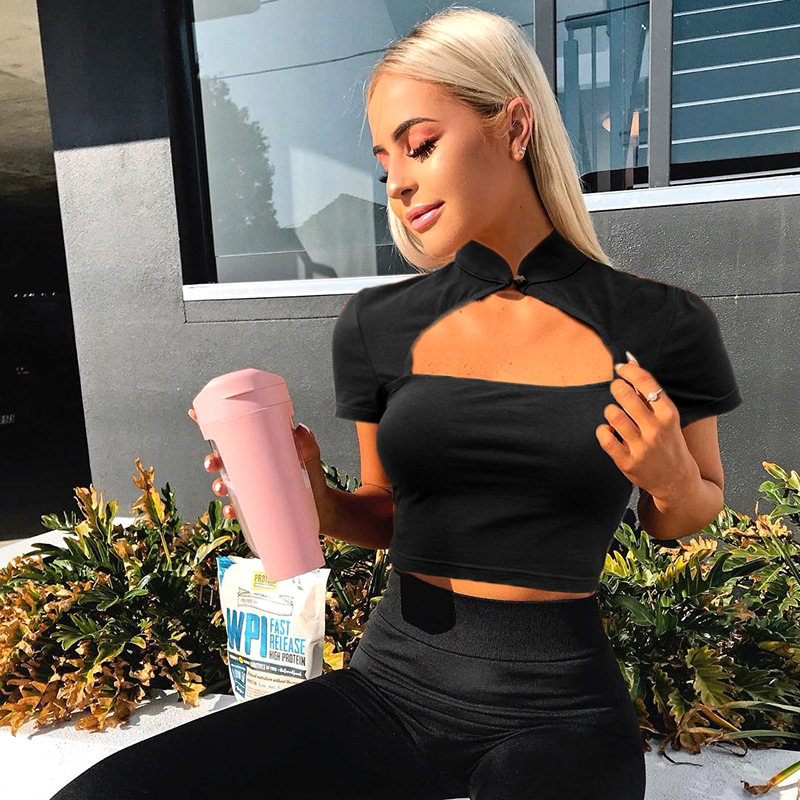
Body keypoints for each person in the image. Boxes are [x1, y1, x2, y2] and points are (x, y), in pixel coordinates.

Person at [51, 7, 743, 799]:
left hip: (561, 714)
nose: (399, 182)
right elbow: (384, 514)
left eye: (421, 145)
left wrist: (670, 480)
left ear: (515, 127)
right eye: (384, 162)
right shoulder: (378, 325)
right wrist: (316, 500)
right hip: (388, 692)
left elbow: (689, 510)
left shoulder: (664, 322)